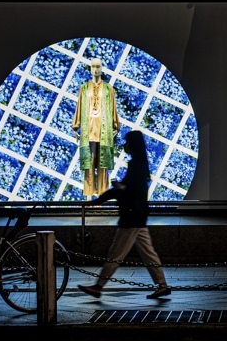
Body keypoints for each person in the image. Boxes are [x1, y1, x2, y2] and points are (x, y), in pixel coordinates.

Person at [78, 129, 172, 300]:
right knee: (148, 253)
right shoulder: (140, 164)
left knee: (116, 253)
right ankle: (162, 285)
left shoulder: (136, 165)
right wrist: (115, 192)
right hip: (138, 216)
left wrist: (101, 198)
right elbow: (132, 189)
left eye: (127, 142)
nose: (124, 145)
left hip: (131, 217)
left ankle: (98, 286)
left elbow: (128, 190)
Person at [72, 57, 120, 199]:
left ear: (102, 68)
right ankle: (89, 195)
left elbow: (113, 108)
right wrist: (75, 126)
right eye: (93, 66)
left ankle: (103, 194)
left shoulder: (108, 88)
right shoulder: (84, 88)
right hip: (89, 131)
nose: (96, 69)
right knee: (89, 162)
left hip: (104, 131)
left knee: (103, 164)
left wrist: (116, 124)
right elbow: (79, 107)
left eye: (98, 66)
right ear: (90, 68)